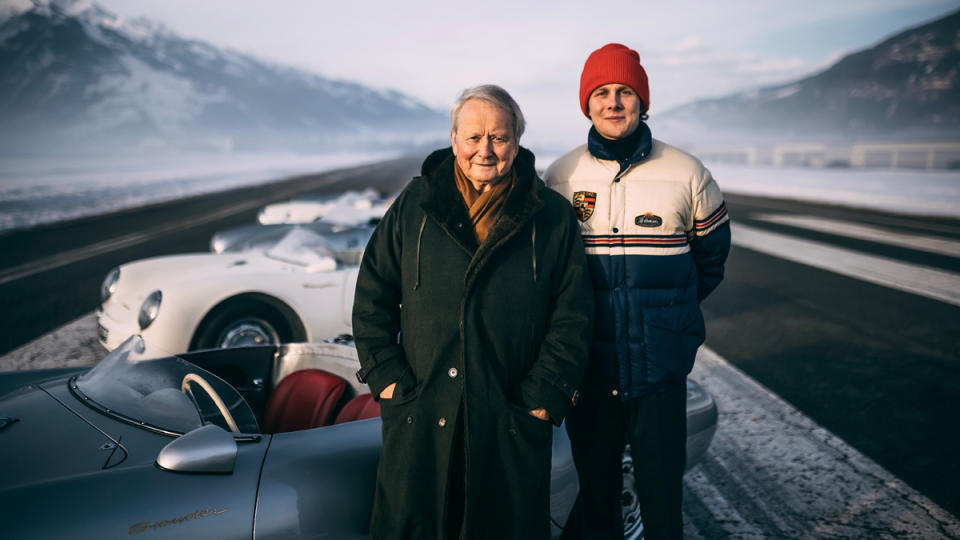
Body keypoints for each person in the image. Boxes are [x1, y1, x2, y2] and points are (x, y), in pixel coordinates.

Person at [352, 84, 594, 540]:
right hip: (421, 410)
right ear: (453, 140)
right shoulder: (415, 205)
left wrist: (543, 398)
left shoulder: (552, 217)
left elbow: (573, 317)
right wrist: (387, 379)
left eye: (499, 138)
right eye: (473, 137)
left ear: (517, 142)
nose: (485, 150)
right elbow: (371, 297)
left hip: (508, 417)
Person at [545, 43, 731, 540]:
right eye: (601, 93)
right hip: (589, 371)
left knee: (662, 503)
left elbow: (710, 262)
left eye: (625, 92)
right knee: (598, 502)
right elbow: (546, 274)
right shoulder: (560, 178)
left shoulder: (688, 173)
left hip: (658, 373)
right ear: (586, 104)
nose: (613, 102)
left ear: (642, 101)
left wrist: (670, 319)